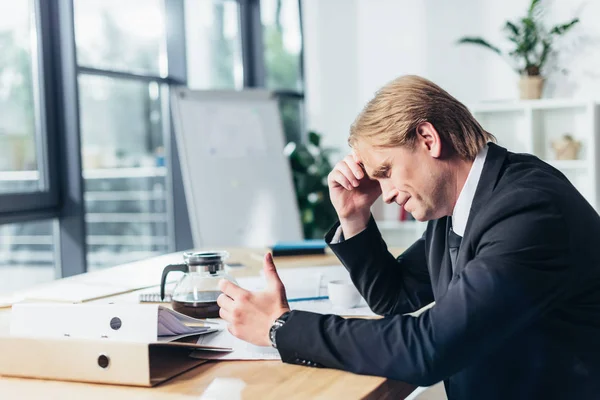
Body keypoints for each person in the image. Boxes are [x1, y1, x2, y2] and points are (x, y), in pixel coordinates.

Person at [217, 75, 600, 399]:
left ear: (428, 139)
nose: (384, 193)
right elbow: (394, 296)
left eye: (385, 171)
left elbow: (430, 346)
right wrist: (354, 216)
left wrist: (280, 327)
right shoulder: (462, 205)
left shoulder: (528, 210)